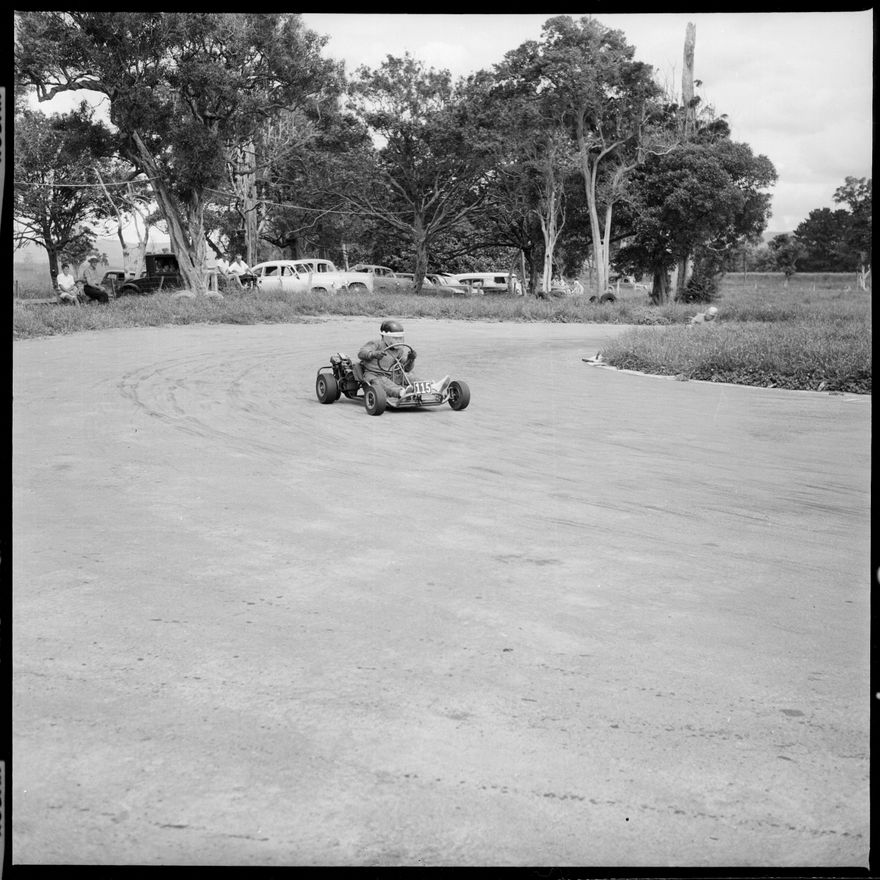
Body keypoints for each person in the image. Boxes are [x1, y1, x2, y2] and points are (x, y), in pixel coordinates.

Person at [358, 319, 433, 399]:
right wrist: (374, 354)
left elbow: (406, 369)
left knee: (408, 376)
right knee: (383, 381)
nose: (398, 341)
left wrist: (411, 359)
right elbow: (361, 353)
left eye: (400, 338)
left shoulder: (398, 350)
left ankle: (431, 386)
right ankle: (401, 392)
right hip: (374, 375)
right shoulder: (376, 344)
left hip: (391, 375)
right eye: (395, 338)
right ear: (386, 337)